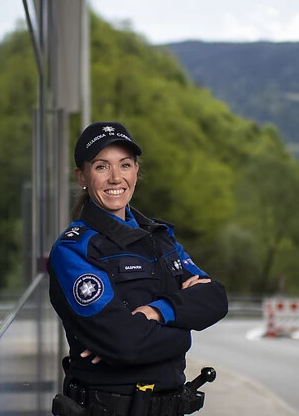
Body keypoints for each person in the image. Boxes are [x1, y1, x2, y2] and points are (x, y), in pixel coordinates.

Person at [47, 121, 229, 416]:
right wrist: (185, 331)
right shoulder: (73, 250)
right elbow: (124, 342)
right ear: (82, 176)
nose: (116, 178)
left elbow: (216, 299)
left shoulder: (159, 237)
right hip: (108, 408)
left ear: (136, 171)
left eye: (125, 165)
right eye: (102, 167)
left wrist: (156, 312)